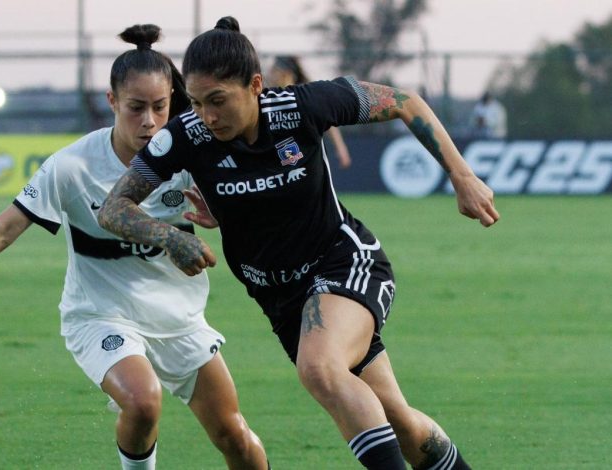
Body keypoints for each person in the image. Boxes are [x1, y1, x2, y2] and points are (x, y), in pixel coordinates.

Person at [98, 16, 500, 470]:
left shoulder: (302, 106)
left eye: (218, 101)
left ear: (255, 85)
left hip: (343, 262)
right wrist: (168, 236)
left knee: (319, 368)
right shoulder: (185, 136)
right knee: (397, 420)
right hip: (281, 300)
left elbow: (405, 102)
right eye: (194, 102)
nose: (207, 116)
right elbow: (114, 208)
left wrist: (461, 176)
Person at [0, 24, 270, 470]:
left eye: (160, 107)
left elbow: (250, 206)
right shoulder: (72, 166)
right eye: (136, 108)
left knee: (234, 436)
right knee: (142, 401)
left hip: (179, 320)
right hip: (100, 316)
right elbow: (4, 229)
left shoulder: (189, 154)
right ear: (112, 102)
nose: (150, 121)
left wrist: (221, 213)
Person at [267, 55, 352, 169]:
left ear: (285, 74)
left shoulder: (305, 98)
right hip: (282, 160)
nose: (271, 75)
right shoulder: (271, 99)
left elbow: (328, 120)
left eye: (274, 71)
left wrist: (341, 148)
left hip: (305, 161)